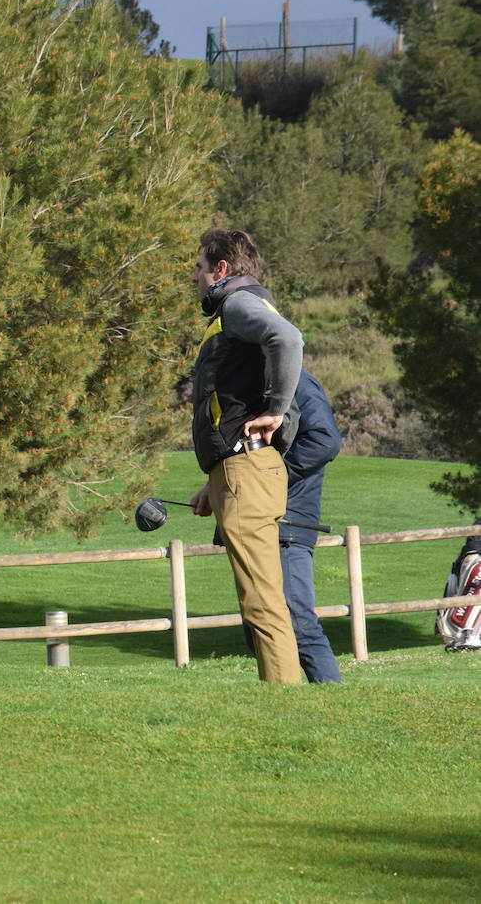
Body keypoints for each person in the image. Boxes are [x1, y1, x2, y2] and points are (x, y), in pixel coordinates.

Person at [186, 228, 303, 684]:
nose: (193, 276)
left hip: (249, 469)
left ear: (221, 270)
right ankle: (282, 693)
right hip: (240, 470)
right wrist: (216, 480)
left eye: (199, 267)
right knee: (258, 594)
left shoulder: (237, 305)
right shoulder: (244, 307)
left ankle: (283, 703)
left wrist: (275, 410)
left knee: (261, 600)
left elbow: (288, 340)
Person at [195, 369, 343, 683]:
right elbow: (247, 453)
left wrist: (264, 478)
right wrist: (216, 487)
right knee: (257, 625)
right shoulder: (253, 382)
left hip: (284, 524)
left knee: (297, 624)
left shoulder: (294, 379)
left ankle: (332, 705)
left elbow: (325, 439)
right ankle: (285, 708)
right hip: (254, 516)